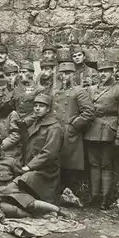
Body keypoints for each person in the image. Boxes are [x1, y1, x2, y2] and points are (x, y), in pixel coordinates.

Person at [0, 134, 71, 219]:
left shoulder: (10, 160)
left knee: (30, 203)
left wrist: (14, 184)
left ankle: (59, 211)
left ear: (1, 145)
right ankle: (36, 216)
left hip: (10, 189)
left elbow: (20, 175)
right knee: (7, 209)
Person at [84, 61, 119, 209]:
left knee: (106, 165)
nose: (103, 74)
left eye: (106, 71)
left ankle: (104, 198)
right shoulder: (91, 89)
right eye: (100, 72)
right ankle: (94, 197)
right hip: (92, 130)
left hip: (109, 131)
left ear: (112, 72)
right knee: (93, 164)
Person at [52, 62, 95, 195]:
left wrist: (74, 125)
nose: (65, 76)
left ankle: (72, 194)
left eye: (69, 73)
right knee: (56, 162)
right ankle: (58, 194)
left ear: (74, 75)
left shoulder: (79, 91)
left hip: (70, 132)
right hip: (56, 131)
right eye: (63, 73)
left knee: (70, 164)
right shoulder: (57, 91)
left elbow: (88, 112)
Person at [18, 94, 63, 204]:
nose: (37, 108)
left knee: (18, 185)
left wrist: (29, 167)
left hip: (46, 171)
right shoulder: (35, 123)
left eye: (41, 106)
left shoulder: (54, 127)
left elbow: (49, 154)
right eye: (35, 105)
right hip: (31, 166)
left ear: (48, 109)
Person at [0, 88, 22, 162]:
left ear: (3, 99)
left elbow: (16, 134)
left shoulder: (12, 113)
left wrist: (1, 145)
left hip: (10, 150)